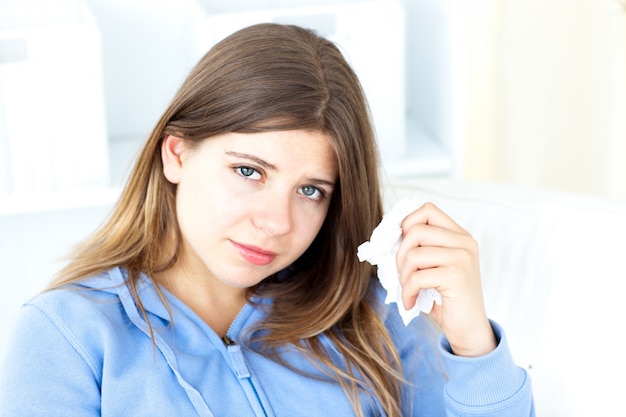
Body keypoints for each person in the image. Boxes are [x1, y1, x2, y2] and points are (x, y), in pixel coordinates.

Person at [0, 23, 534, 416]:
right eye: (249, 171)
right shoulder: (68, 336)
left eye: (310, 190)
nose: (276, 222)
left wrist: (472, 344)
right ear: (176, 155)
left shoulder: (373, 315)